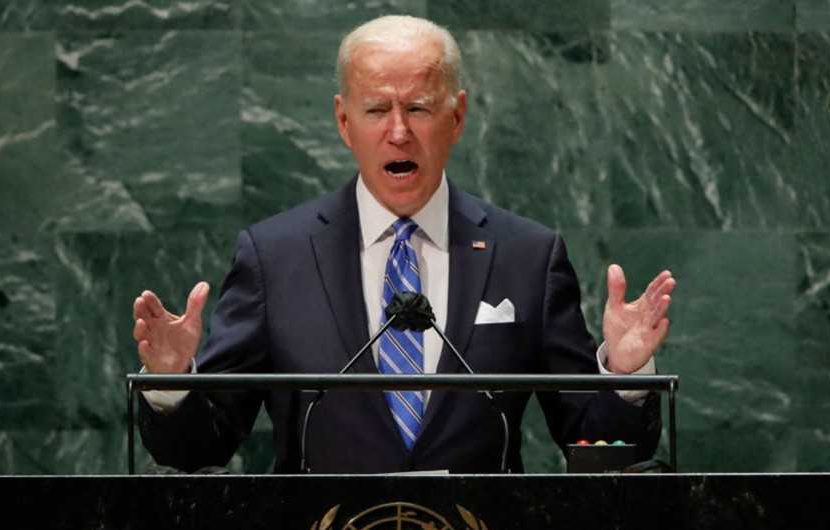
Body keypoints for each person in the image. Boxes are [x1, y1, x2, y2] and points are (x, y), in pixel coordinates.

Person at [133, 15, 675, 474]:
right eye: (375, 110)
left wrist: (625, 380)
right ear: (344, 121)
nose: (398, 132)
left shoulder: (527, 256)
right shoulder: (276, 258)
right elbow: (202, 448)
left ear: (456, 116)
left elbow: (598, 450)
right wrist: (172, 384)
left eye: (418, 107)